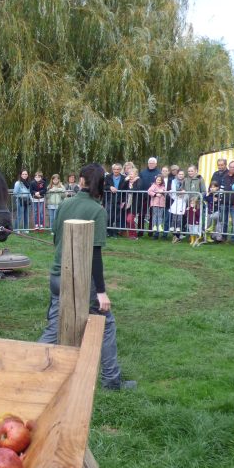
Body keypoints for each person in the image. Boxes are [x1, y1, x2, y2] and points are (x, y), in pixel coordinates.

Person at [37, 162, 136, 391]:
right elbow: (95, 255)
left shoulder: (64, 204)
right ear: (101, 184)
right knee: (106, 323)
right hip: (80, 281)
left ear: (81, 181)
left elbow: (55, 239)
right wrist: (101, 292)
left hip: (57, 275)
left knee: (55, 325)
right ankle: (111, 381)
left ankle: (34, 369)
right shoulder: (97, 211)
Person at [103, 164, 126, 237]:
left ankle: (115, 233)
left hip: (119, 199)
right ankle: (108, 232)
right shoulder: (108, 177)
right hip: (109, 199)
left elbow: (125, 190)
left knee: (117, 217)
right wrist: (110, 187)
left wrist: (124, 201)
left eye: (118, 169)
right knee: (109, 216)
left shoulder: (124, 178)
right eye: (114, 169)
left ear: (120, 170)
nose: (116, 171)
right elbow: (104, 186)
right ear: (112, 170)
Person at [139, 157, 161, 233]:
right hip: (143, 196)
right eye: (150, 163)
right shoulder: (142, 172)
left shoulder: (159, 173)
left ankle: (151, 231)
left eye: (153, 163)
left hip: (154, 197)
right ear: (148, 164)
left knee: (153, 215)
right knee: (142, 214)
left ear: (156, 164)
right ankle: (140, 231)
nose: (151, 164)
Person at [120, 168, 143, 239]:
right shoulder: (127, 181)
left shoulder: (139, 180)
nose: (130, 175)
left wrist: (129, 190)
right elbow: (121, 188)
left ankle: (133, 235)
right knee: (128, 220)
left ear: (136, 174)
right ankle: (132, 235)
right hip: (127, 203)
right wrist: (125, 180)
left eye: (132, 174)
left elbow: (137, 188)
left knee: (129, 219)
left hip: (135, 203)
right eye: (129, 174)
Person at [147, 174, 167, 239]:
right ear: (155, 180)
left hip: (161, 204)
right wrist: (155, 194)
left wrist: (163, 191)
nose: (158, 181)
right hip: (155, 203)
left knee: (160, 215)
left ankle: (160, 226)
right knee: (155, 215)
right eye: (157, 180)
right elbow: (149, 191)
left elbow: (165, 192)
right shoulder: (153, 185)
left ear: (162, 181)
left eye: (160, 180)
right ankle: (155, 225)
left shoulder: (163, 186)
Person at [169, 176, 188, 243]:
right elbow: (171, 194)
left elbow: (186, 195)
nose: (180, 194)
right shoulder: (176, 197)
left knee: (179, 220)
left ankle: (178, 229)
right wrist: (171, 191)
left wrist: (184, 192)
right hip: (175, 210)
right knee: (174, 219)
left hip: (180, 210)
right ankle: (172, 227)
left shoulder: (184, 198)